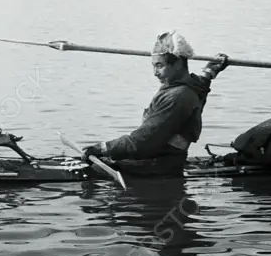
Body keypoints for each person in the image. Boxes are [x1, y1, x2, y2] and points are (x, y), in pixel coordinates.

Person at [82, 31, 229, 165]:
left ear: (178, 64)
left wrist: (101, 148)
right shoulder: (186, 89)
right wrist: (210, 71)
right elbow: (199, 87)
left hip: (158, 165)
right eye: (153, 66)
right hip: (157, 158)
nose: (155, 73)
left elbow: (142, 142)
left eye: (159, 66)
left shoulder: (178, 96)